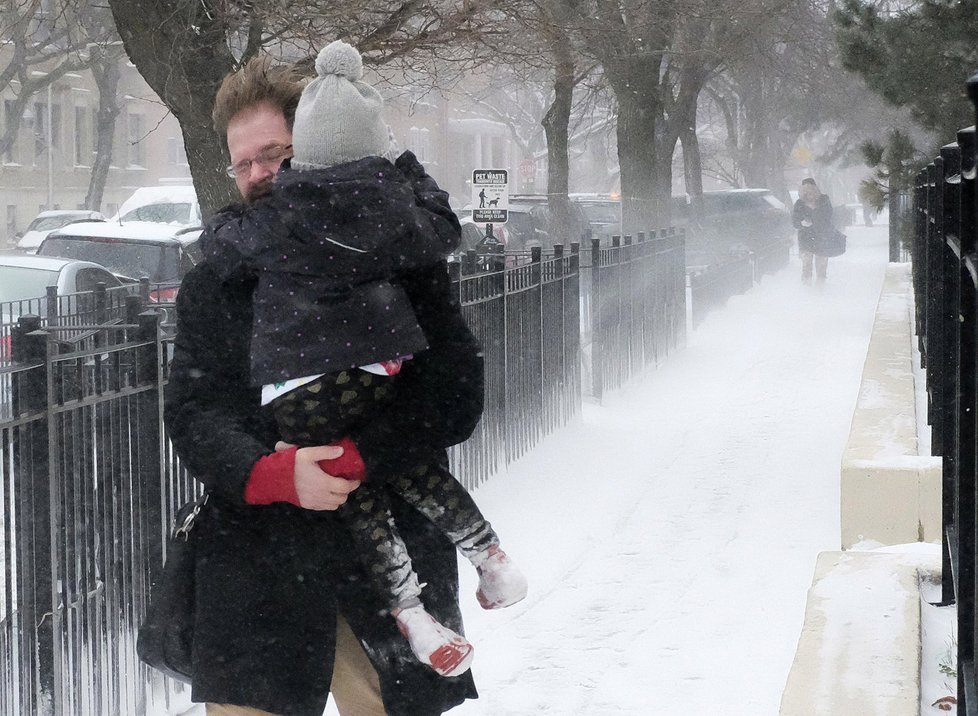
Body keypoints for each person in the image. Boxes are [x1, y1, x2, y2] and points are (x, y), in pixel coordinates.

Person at [164, 51, 484, 716]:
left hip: (390, 567)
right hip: (257, 571)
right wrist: (271, 472)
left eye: (273, 155)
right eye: (243, 161)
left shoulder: (401, 261)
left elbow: (453, 395)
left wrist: (356, 458)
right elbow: (194, 411)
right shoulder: (216, 280)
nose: (257, 176)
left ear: (308, 149)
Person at [792, 177, 834, 285]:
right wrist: (801, 223)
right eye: (805, 189)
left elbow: (828, 215)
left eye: (810, 188)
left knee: (818, 264)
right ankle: (810, 287)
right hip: (810, 237)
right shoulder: (800, 203)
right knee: (809, 264)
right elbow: (794, 220)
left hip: (818, 237)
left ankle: (817, 287)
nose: (807, 191)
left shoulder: (823, 200)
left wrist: (812, 220)